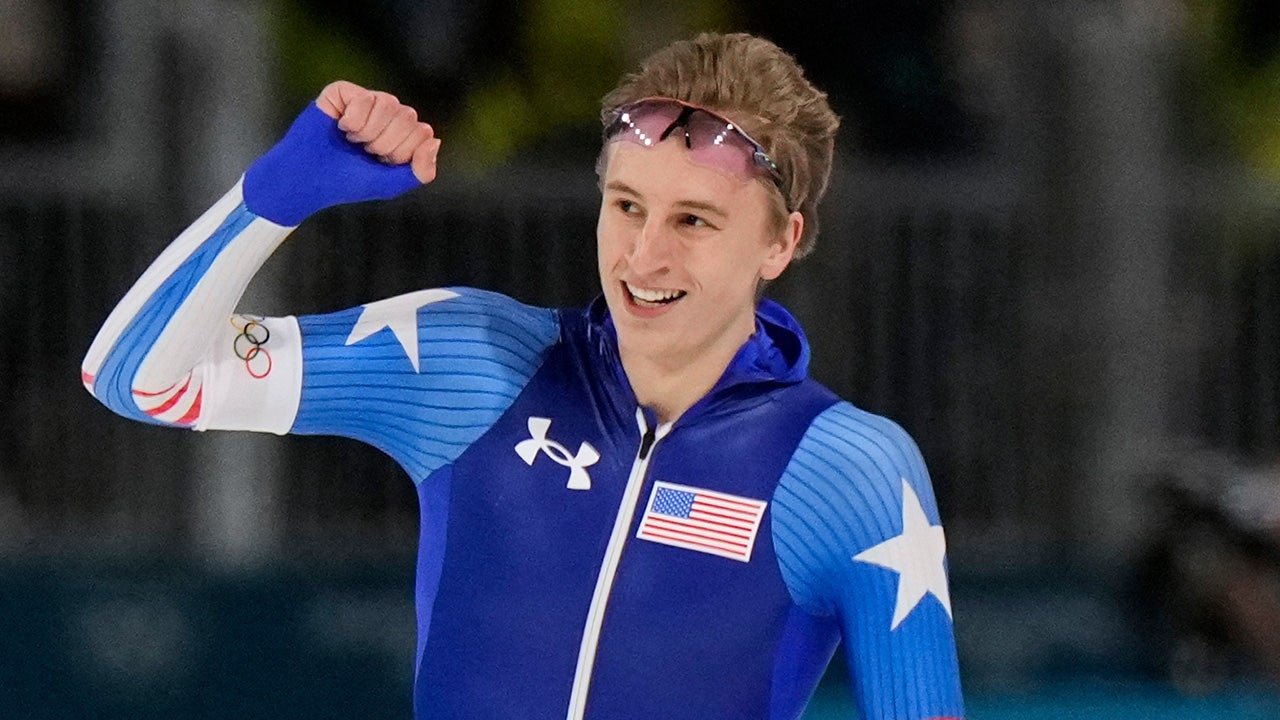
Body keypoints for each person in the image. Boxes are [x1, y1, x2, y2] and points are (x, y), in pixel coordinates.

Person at [82, 32, 964, 720]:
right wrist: (274, 198)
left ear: (781, 241)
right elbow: (136, 377)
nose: (643, 256)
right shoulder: (480, 365)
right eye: (627, 206)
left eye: (694, 220)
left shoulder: (844, 472)